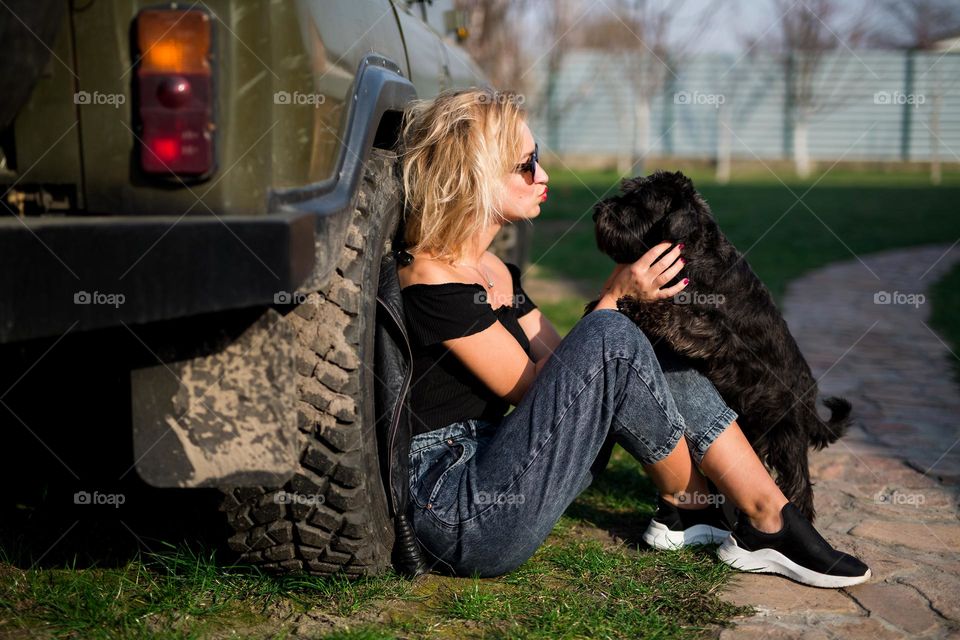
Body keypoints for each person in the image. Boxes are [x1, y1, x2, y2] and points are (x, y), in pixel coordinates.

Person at [394, 87, 870, 589]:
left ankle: (733, 512)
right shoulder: (431, 281)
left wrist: (625, 314)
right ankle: (741, 513)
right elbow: (542, 388)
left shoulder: (493, 270)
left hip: (504, 460)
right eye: (527, 163)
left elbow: (564, 362)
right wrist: (615, 297)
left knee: (641, 341)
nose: (544, 175)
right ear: (477, 178)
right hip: (460, 511)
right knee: (614, 331)